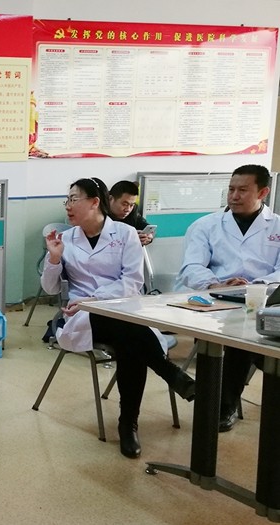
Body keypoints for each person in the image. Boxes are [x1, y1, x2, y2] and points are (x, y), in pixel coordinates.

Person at [41, 177, 195, 459]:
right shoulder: (66, 239)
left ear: (94, 202)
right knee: (131, 335)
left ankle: (129, 423)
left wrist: (94, 299)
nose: (68, 206)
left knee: (130, 343)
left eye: (74, 199)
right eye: (67, 200)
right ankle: (164, 379)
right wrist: (53, 258)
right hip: (84, 317)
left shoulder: (125, 234)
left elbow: (132, 282)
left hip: (122, 311)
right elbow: (50, 289)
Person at [176, 164, 280, 432]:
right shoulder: (206, 225)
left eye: (243, 190)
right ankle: (225, 406)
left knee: (261, 335)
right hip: (216, 303)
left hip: (267, 301)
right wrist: (217, 283)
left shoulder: (277, 225)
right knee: (242, 338)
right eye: (231, 189)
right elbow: (191, 267)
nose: (234, 196)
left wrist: (257, 285)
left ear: (263, 192)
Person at [108, 180, 153, 246]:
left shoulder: (133, 211)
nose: (128, 209)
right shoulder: (98, 213)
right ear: (111, 199)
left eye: (132, 205)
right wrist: (130, 236)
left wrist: (148, 237)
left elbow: (144, 225)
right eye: (124, 204)